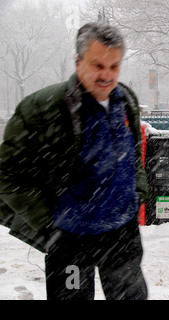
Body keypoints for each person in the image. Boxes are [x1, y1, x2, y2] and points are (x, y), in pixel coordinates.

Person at [0, 22, 149, 300]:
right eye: (98, 65)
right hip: (71, 238)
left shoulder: (126, 100)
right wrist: (49, 224)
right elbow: (7, 176)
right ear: (78, 62)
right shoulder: (42, 108)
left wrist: (136, 191)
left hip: (122, 234)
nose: (107, 76)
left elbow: (134, 154)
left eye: (114, 67)